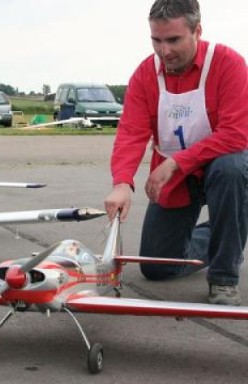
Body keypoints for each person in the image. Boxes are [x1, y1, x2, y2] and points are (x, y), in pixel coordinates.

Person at [104, 0, 248, 305]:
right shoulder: (146, 74)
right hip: (176, 178)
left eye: (173, 40)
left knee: (231, 168)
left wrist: (176, 163)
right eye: (156, 40)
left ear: (197, 31)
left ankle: (224, 277)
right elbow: (131, 132)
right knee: (157, 268)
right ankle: (228, 231)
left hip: (221, 167)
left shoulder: (227, 63)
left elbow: (237, 134)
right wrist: (122, 183)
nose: (164, 51)